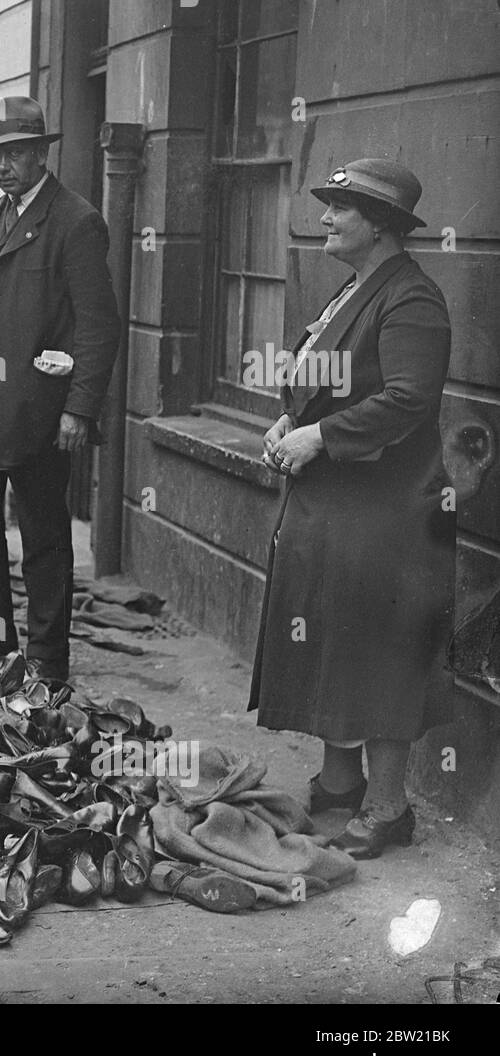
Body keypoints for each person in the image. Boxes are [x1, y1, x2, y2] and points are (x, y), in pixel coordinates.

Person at [250, 159, 455, 859]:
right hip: (336, 505)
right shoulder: (355, 289)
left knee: (380, 652)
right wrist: (290, 419)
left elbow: (408, 399)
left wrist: (319, 437)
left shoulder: (411, 299)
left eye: (341, 208)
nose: (326, 217)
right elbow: (332, 377)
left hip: (387, 513)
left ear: (382, 225)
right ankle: (340, 782)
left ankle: (389, 807)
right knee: (333, 642)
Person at [0, 96, 120, 688]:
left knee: (43, 536)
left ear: (41, 154)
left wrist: (79, 409)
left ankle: (46, 661)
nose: (3, 166)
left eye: (15, 153)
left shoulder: (75, 221)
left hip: (37, 409)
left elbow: (99, 325)